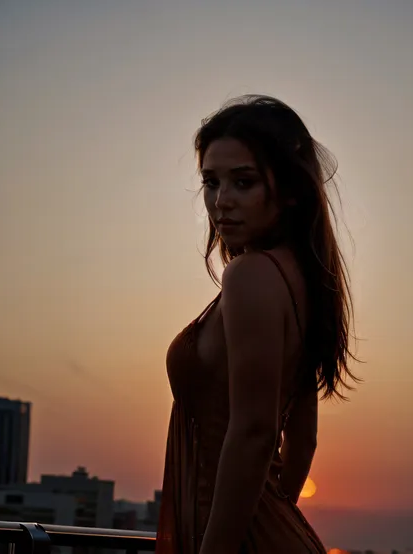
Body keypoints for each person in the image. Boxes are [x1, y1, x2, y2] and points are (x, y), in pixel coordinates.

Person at [155, 94, 360, 554]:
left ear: (288, 190)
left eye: (243, 182)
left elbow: (254, 431)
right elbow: (302, 441)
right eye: (211, 182)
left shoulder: (249, 276)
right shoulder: (300, 282)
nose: (221, 202)